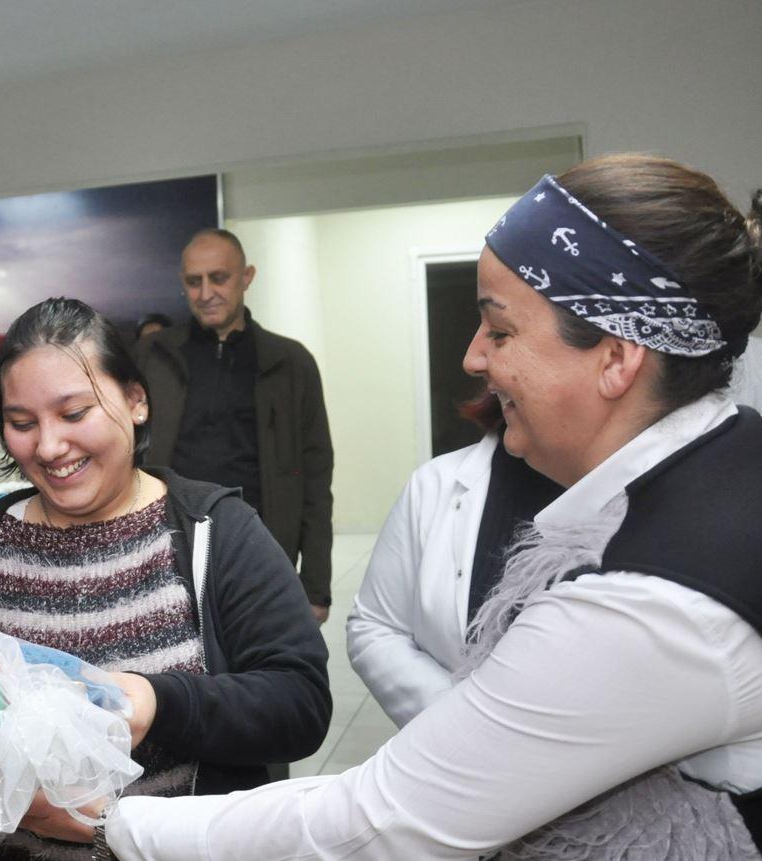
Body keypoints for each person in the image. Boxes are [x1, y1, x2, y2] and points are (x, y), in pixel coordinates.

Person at [101, 154, 762, 859]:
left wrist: (113, 824)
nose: (474, 358)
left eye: (501, 331)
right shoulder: (730, 460)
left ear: (616, 357)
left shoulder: (651, 602)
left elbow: (378, 822)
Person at [0, 297, 332, 860]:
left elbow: (300, 705)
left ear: (136, 401)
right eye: (22, 423)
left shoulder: (214, 532)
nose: (49, 447)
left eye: (75, 414)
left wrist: (160, 704)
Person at [135, 229, 335, 624]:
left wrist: (315, 586)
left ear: (246, 277)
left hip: (258, 549)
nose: (206, 292)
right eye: (194, 281)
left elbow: (315, 476)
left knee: (257, 674)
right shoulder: (151, 358)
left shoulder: (290, 363)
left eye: (219, 278)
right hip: (167, 551)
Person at [346, 392, 561, 726]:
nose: (474, 359)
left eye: (503, 337)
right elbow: (376, 625)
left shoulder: (646, 498)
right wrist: (460, 721)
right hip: (452, 755)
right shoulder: (435, 484)